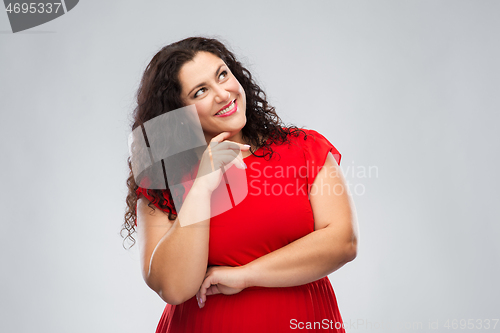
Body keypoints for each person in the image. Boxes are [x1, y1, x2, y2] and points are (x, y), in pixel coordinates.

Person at [122, 36, 359, 333]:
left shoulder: (303, 148)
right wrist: (202, 186)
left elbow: (342, 242)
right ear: (179, 115)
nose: (223, 94)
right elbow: (174, 287)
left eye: (223, 75)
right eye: (200, 91)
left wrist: (246, 275)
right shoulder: (162, 179)